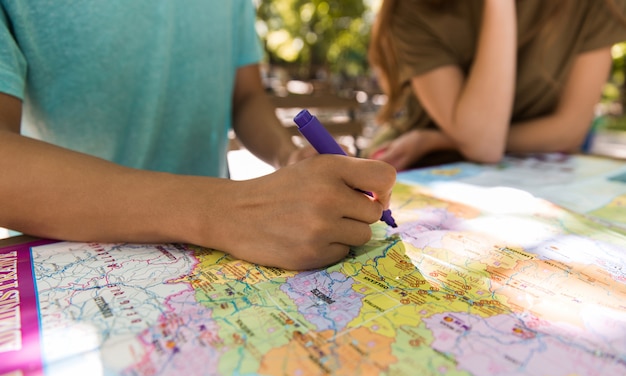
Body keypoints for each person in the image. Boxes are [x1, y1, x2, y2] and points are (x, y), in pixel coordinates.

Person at [0, 0, 396, 271]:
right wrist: (222, 210)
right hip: (75, 250)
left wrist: (289, 155)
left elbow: (246, 96)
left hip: (219, 248)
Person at [365, 0, 626, 170]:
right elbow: (483, 141)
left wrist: (439, 140)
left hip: (531, 174)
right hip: (417, 166)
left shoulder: (596, 6)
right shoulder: (412, 9)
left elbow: (569, 129)